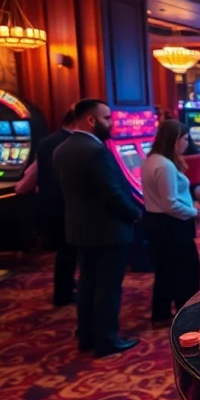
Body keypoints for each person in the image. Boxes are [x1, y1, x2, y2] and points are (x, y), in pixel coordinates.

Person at [53, 99, 142, 357]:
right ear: (91, 120)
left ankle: (87, 336)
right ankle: (106, 340)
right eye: (107, 118)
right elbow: (111, 194)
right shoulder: (96, 151)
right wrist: (134, 213)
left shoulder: (62, 148)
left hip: (79, 229)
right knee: (107, 287)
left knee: (88, 284)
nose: (111, 123)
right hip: (107, 231)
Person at [140, 120, 200, 325]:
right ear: (174, 140)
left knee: (165, 270)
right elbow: (170, 204)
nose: (187, 143)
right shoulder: (164, 165)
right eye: (184, 139)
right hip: (170, 223)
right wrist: (194, 212)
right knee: (186, 270)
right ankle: (187, 314)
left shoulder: (152, 159)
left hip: (159, 222)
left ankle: (162, 313)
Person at [35, 109, 76, 307]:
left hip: (49, 202)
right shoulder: (70, 145)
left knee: (64, 251)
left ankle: (66, 287)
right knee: (67, 252)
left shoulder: (46, 141)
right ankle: (63, 293)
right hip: (66, 204)